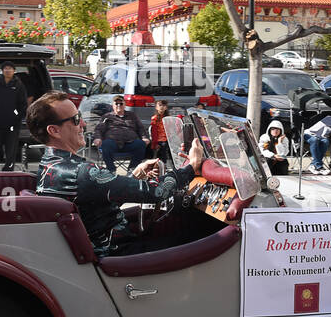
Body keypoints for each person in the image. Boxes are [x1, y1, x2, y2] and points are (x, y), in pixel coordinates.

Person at [30, 91, 204, 258]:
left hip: (101, 248)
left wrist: (135, 176)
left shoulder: (48, 166)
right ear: (54, 130)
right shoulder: (81, 172)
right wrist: (191, 166)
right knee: (199, 234)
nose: (83, 124)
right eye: (76, 119)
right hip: (118, 253)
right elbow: (157, 192)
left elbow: (92, 198)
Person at [0, 61, 27, 172]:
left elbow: (23, 104)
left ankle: (8, 169)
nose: (8, 70)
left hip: (13, 124)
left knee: (11, 149)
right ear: (2, 71)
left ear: (14, 71)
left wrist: (17, 117)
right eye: (5, 68)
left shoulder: (19, 85)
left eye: (10, 68)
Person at [93, 95, 148, 172]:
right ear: (113, 105)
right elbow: (98, 129)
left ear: (125, 105)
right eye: (116, 104)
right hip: (113, 143)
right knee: (105, 144)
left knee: (141, 144)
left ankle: (132, 170)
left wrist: (144, 137)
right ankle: (111, 170)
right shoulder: (107, 116)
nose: (118, 105)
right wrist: (97, 138)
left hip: (130, 143)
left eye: (121, 104)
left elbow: (140, 128)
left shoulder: (132, 115)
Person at [150, 100, 171, 165]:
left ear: (166, 107)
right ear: (156, 107)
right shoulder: (154, 118)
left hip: (168, 139)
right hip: (159, 140)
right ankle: (163, 164)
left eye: (164, 105)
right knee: (163, 146)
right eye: (160, 105)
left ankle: (174, 165)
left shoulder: (168, 118)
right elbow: (154, 132)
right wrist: (154, 143)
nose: (162, 107)